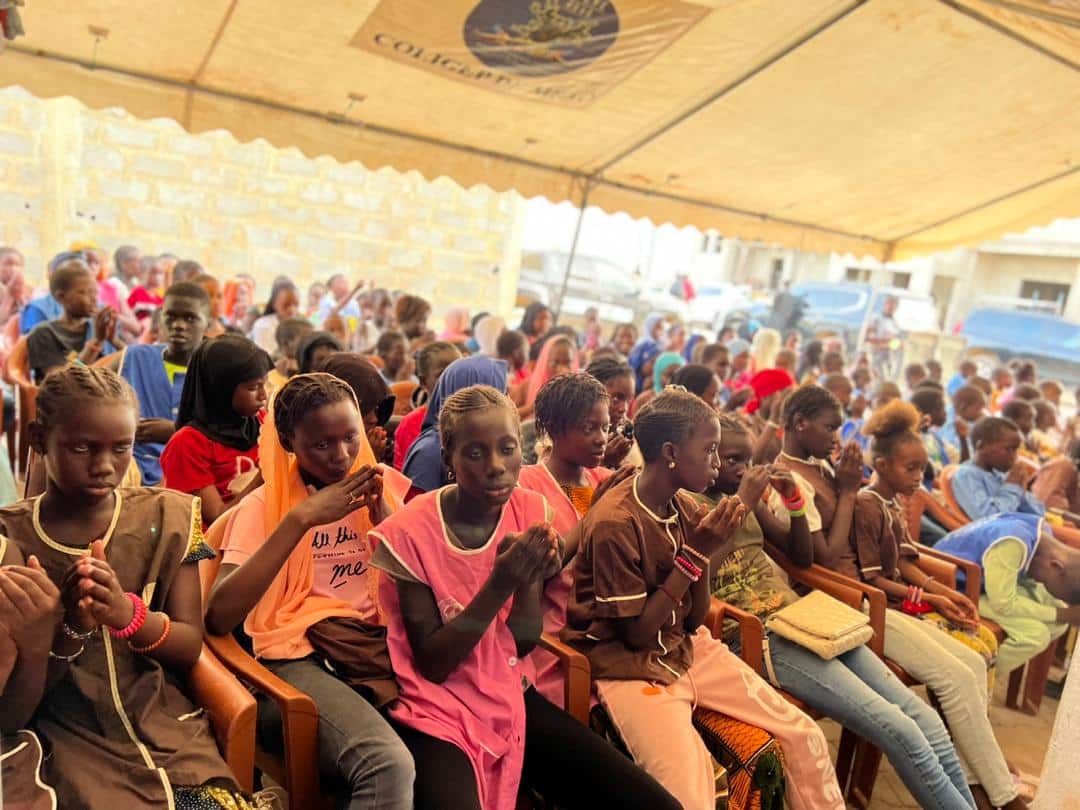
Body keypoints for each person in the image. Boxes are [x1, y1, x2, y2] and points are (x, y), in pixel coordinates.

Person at [370, 384, 678, 810]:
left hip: (509, 689)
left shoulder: (530, 508)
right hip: (436, 710)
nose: (496, 467)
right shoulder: (410, 532)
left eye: (507, 448)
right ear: (448, 459)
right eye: (475, 453)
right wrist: (501, 583)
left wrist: (524, 580)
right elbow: (435, 665)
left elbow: (522, 641)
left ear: (522, 448)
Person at [562, 389, 845, 810]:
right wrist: (695, 554)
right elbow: (638, 636)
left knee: (804, 736)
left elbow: (693, 620)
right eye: (710, 450)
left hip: (686, 650)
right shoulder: (616, 524)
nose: (717, 461)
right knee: (690, 795)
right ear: (672, 452)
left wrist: (707, 547)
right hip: (630, 668)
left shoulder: (688, 510)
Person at [3, 364, 264, 807]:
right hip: (65, 734)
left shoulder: (171, 517)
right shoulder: (11, 541)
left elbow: (188, 645)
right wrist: (69, 628)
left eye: (121, 447)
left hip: (162, 723)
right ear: (37, 439)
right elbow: (12, 711)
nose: (105, 466)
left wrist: (127, 615)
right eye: (83, 447)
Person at [705, 413, 977, 809]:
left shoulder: (740, 501)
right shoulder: (687, 505)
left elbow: (800, 555)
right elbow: (696, 572)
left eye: (746, 460)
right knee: (900, 730)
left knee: (925, 721)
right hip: (760, 634)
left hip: (802, 619)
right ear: (705, 457)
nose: (742, 469)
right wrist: (744, 500)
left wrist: (794, 502)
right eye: (730, 459)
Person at [206, 373, 413, 809]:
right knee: (386, 764)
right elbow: (218, 615)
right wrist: (300, 521)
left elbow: (419, 591)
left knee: (452, 744)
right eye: (322, 444)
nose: (340, 456)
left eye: (350, 437)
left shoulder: (382, 487)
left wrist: (388, 524)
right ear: (288, 442)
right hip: (297, 655)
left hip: (374, 647)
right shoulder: (266, 507)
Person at [845, 400, 1023, 809]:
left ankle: (978, 784)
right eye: (910, 469)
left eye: (922, 468)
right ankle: (1004, 796)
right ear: (883, 465)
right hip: (873, 610)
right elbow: (873, 578)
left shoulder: (891, 503)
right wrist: (931, 597)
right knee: (956, 679)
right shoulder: (868, 504)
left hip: (896, 605)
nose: (919, 477)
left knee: (974, 665)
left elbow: (906, 560)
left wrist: (942, 593)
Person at [517, 374, 616, 706]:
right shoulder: (527, 487)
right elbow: (543, 567)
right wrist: (596, 513)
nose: (602, 438)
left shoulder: (604, 479)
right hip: (555, 634)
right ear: (555, 430)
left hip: (612, 626)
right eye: (590, 428)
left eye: (606, 427)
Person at [936, 513, 1080, 678]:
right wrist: (1060, 613)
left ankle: (983, 662)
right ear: (1056, 567)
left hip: (985, 585)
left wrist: (1062, 613)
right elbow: (1003, 603)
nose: (1065, 601)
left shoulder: (1042, 534)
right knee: (1036, 635)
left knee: (1059, 623)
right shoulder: (1012, 544)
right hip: (955, 587)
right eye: (1066, 596)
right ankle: (970, 677)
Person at [104, 282, 212, 486]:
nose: (179, 325)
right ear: (160, 318)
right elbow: (86, 388)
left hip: (192, 473)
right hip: (130, 468)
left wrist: (178, 431)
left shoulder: (216, 370)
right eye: (171, 316)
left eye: (190, 318)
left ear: (208, 323)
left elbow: (231, 432)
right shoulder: (134, 356)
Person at [160, 334, 271, 526]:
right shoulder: (188, 444)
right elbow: (218, 518)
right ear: (221, 389)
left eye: (265, 384)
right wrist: (265, 475)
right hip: (216, 547)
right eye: (254, 387)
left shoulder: (262, 423)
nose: (263, 395)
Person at [403, 356, 508, 495]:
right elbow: (414, 513)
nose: (508, 403)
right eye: (503, 395)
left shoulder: (501, 446)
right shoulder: (428, 454)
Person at [26, 258, 118, 381]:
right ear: (61, 297)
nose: (94, 299)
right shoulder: (44, 333)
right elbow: (61, 383)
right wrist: (96, 342)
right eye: (85, 292)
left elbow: (126, 364)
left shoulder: (95, 328)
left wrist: (113, 340)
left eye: (95, 293)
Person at [952, 416, 1044, 519]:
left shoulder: (999, 475)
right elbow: (988, 518)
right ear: (981, 446)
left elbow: (1039, 513)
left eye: (1016, 450)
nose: (1014, 457)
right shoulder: (967, 475)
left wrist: (1021, 488)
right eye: (1009, 449)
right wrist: (1012, 486)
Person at [319, 352, 399, 466]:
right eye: (363, 406)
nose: (374, 419)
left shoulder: (386, 445)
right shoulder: (311, 446)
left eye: (376, 408)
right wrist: (369, 458)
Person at [393, 341, 461, 470]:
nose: (452, 379)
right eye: (442, 374)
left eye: (457, 372)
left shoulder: (470, 416)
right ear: (423, 381)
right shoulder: (411, 424)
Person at [585, 357, 636, 469]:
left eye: (628, 400)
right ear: (590, 394)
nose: (624, 408)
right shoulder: (575, 436)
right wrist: (604, 460)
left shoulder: (627, 436)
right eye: (616, 399)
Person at [521, 333, 578, 419]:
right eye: (556, 362)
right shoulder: (528, 385)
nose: (561, 369)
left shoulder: (579, 391)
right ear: (545, 361)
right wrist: (533, 407)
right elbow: (509, 417)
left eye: (567, 363)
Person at [266, 317, 314, 394]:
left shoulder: (312, 366)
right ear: (286, 344)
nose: (312, 343)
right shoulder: (270, 378)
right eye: (306, 339)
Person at [250, 282, 300, 354]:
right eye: (286, 305)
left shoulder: (301, 327)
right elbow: (266, 358)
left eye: (296, 305)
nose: (292, 310)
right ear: (274, 304)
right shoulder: (263, 326)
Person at [943, 384, 987, 463]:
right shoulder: (948, 423)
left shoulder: (968, 418)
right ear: (962, 407)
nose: (982, 413)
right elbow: (962, 453)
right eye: (979, 409)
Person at [865, 295, 902, 381]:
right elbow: (869, 338)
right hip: (875, 358)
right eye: (889, 304)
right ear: (885, 304)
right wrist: (887, 342)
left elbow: (896, 342)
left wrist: (893, 344)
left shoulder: (895, 324)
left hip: (889, 359)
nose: (891, 307)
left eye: (893, 305)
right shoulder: (876, 319)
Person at [127, 255, 166, 324]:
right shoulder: (138, 293)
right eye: (153, 272)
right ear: (142, 273)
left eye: (161, 273)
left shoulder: (160, 299)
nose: (158, 277)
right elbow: (128, 314)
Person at [192, 272, 227, 338]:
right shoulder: (191, 336)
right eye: (209, 296)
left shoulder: (233, 332)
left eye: (219, 296)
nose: (216, 302)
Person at [497, 329, 530, 394]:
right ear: (516, 353)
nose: (528, 357)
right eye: (526, 351)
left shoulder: (522, 372)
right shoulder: (499, 379)